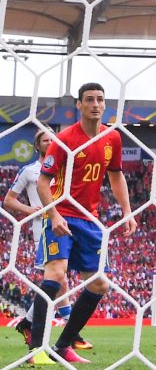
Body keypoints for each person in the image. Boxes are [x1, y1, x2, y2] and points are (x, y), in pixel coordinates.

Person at [29, 82, 137, 365]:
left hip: (90, 220)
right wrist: (53, 215)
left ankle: (63, 345)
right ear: (79, 105)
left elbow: (116, 175)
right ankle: (36, 350)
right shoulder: (64, 139)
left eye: (100, 99)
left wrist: (127, 211)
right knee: (56, 274)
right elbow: (43, 182)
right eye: (89, 99)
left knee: (100, 284)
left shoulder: (111, 138)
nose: (96, 104)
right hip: (62, 214)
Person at [4, 128, 94, 352]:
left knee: (58, 280)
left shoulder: (65, 168)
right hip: (43, 228)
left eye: (53, 139)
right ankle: (71, 331)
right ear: (38, 145)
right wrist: (30, 209)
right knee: (59, 278)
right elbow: (9, 201)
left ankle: (28, 323)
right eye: (46, 140)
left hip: (67, 225)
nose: (50, 142)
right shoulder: (30, 171)